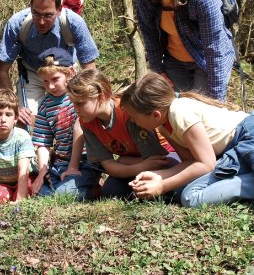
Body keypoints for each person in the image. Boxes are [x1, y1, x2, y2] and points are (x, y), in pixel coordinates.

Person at [120, 72, 254, 208]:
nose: (134, 124)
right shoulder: (163, 125)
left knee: (191, 197)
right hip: (228, 153)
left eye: (135, 118)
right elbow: (190, 162)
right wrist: (160, 177)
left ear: (154, 114)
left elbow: (206, 164)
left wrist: (163, 186)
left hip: (250, 140)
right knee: (182, 189)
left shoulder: (179, 112)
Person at [135, 0, 235, 101]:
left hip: (205, 62)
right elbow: (149, 32)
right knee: (176, 113)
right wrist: (158, 70)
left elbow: (214, 49)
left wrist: (217, 102)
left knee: (203, 113)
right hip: (174, 61)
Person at [0, 0, 99, 128]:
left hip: (65, 72)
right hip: (32, 72)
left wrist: (91, 98)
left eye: (48, 15)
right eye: (36, 14)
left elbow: (90, 68)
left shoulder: (74, 23)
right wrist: (13, 105)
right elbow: (3, 70)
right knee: (26, 122)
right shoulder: (17, 23)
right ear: (30, 6)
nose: (41, 21)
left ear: (59, 10)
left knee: (77, 118)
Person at [66, 69, 176, 199]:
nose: (76, 109)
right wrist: (137, 166)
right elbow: (109, 166)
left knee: (151, 188)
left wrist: (125, 161)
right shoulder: (87, 123)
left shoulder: (127, 113)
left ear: (101, 97)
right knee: (110, 192)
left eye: (80, 103)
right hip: (138, 164)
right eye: (73, 103)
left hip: (167, 156)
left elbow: (156, 161)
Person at [31, 48, 101, 200]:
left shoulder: (80, 97)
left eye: (55, 79)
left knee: (64, 194)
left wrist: (73, 167)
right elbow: (43, 142)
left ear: (69, 73)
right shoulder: (45, 104)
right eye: (45, 81)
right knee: (42, 195)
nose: (50, 86)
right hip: (60, 163)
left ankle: (93, 190)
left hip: (86, 161)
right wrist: (43, 171)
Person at [0, 89, 37, 206]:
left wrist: (20, 198)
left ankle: (18, 195)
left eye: (8, 115)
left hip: (26, 179)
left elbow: (23, 169)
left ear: (15, 118)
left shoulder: (22, 137)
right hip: (1, 182)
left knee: (31, 192)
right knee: (0, 198)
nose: (3, 120)